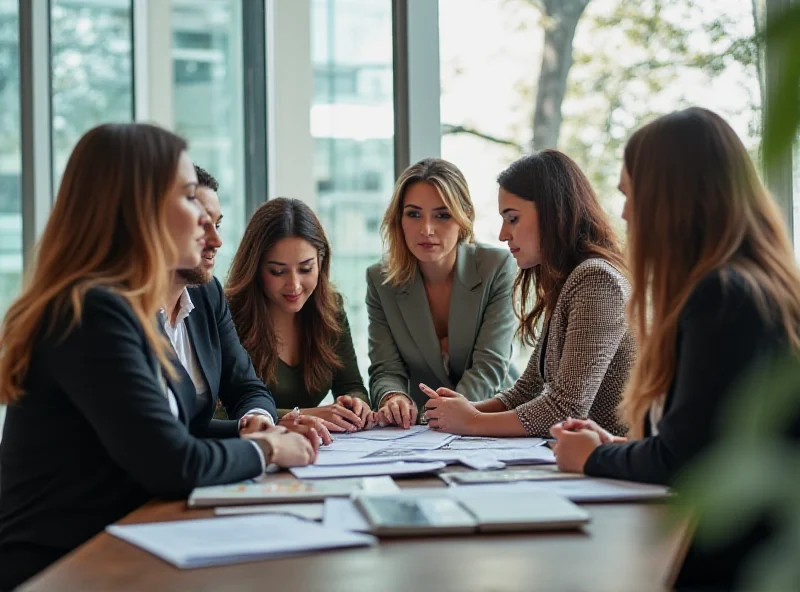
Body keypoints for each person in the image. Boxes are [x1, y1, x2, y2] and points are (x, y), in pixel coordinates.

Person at [0, 124, 318, 590]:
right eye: (190, 198)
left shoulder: (119, 301)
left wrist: (268, 427)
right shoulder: (93, 309)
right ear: (140, 209)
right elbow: (173, 462)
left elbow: (164, 435)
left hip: (120, 544)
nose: (206, 225)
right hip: (61, 566)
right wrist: (267, 448)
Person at [549, 108, 800, 588]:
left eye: (629, 193)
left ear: (669, 199)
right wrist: (622, 446)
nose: (623, 212)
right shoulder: (754, 287)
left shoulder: (722, 296)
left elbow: (689, 463)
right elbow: (710, 441)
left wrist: (592, 457)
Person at [422, 150, 634, 437]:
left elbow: (565, 409)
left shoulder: (597, 279)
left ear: (552, 212)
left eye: (512, 218)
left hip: (616, 471)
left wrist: (471, 421)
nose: (502, 234)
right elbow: (526, 390)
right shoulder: (568, 279)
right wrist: (465, 409)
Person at [165, 166, 331, 442]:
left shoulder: (207, 294)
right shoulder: (123, 311)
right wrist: (263, 447)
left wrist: (261, 423)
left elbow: (247, 389)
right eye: (200, 226)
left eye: (217, 225)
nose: (217, 241)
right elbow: (165, 436)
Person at [367, 158, 518, 429]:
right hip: (416, 432)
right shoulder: (380, 280)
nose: (426, 229)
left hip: (489, 417)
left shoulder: (497, 267)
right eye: (413, 214)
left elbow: (489, 367)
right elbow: (386, 368)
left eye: (442, 215)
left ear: (465, 217)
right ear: (398, 219)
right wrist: (394, 397)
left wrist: (443, 414)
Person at [226, 198, 372, 433]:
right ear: (255, 267)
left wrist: (355, 404)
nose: (294, 285)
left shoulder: (331, 309)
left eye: (306, 269)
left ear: (321, 262)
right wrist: (300, 415)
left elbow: (352, 386)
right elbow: (218, 412)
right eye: (277, 271)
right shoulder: (228, 315)